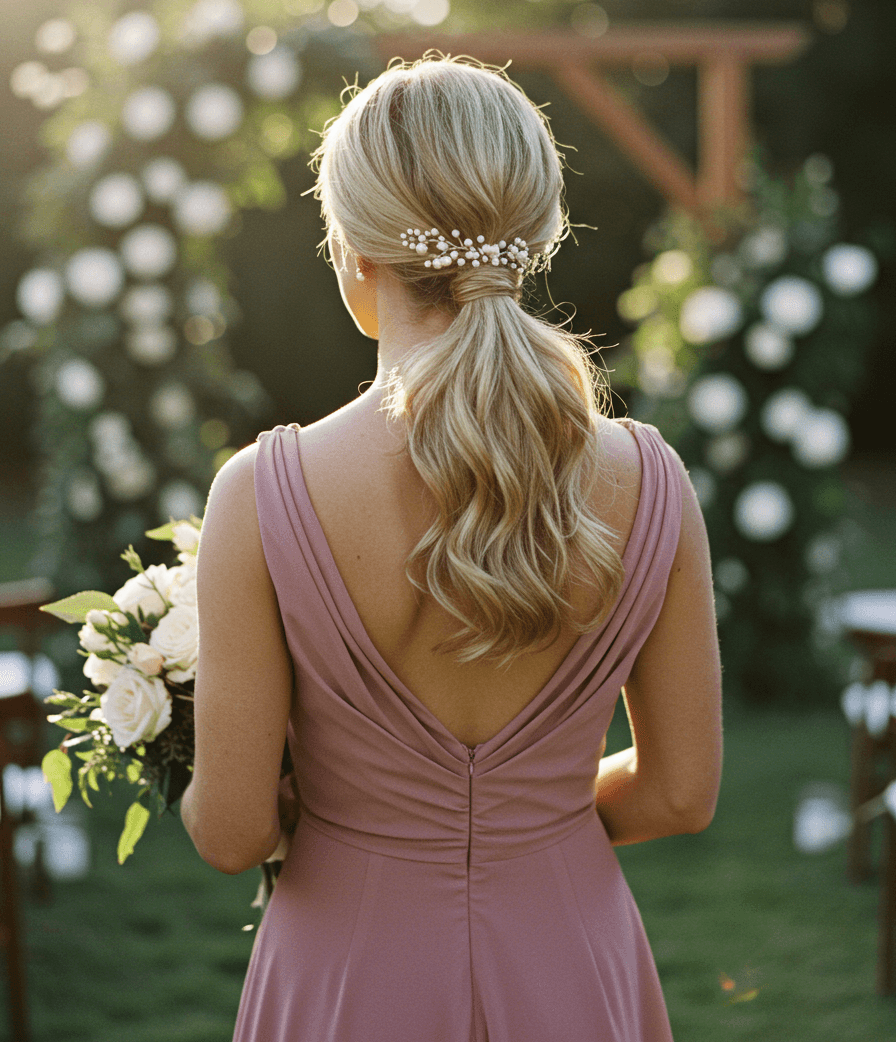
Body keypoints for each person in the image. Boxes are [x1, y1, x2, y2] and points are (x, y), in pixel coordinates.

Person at [180, 55, 723, 1041]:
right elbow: (680, 793)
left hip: (346, 965)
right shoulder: (651, 479)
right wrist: (531, 823)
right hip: (569, 947)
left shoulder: (260, 494)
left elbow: (230, 830)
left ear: (352, 255)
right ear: (534, 241)